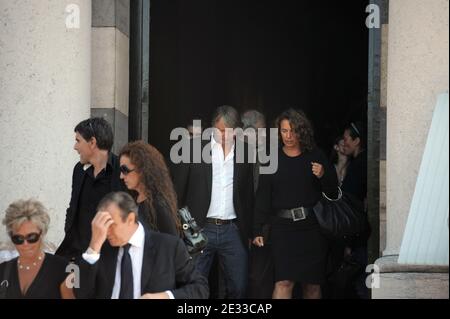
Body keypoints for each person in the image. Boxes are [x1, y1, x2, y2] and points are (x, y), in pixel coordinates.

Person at [253, 109, 339, 299]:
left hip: (312, 228)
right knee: (283, 282)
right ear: (279, 132)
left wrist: (323, 175)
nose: (289, 136)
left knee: (312, 285)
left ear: (302, 131)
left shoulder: (315, 155)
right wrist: (257, 229)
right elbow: (263, 196)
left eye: (293, 131)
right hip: (283, 230)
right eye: (284, 131)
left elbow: (333, 191)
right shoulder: (271, 158)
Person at [173, 105, 254, 298]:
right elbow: (177, 193)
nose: (224, 135)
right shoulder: (192, 148)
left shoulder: (245, 152)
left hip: (232, 229)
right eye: (220, 130)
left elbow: (248, 195)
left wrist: (250, 230)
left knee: (239, 287)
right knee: (193, 286)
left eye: (229, 131)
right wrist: (187, 228)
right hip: (199, 228)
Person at [74, 191, 208, 299]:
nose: (106, 232)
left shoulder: (168, 247)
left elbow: (200, 289)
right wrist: (94, 246)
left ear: (130, 219)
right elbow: (79, 293)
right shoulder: (99, 247)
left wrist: (165, 297)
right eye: (103, 226)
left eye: (111, 225)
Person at [56, 118, 126, 261]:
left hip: (110, 257)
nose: (75, 147)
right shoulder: (79, 170)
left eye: (78, 140)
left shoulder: (122, 171)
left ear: (92, 142)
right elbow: (73, 206)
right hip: (76, 254)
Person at [0, 199, 73, 299]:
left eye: (31, 237)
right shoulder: (3, 271)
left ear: (42, 233)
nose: (25, 244)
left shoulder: (66, 268)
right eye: (18, 238)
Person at [241, 109, 274, 299]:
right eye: (262, 130)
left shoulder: (265, 156)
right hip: (240, 226)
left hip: (262, 227)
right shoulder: (234, 155)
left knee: (260, 277)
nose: (265, 135)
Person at [119, 141, 180, 236]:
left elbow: (173, 242)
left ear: (142, 170)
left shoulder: (158, 204)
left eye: (125, 170)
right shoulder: (132, 198)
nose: (121, 176)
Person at [341, 121, 370, 299]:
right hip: (360, 232)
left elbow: (349, 202)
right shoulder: (357, 162)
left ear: (357, 140)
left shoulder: (359, 165)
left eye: (346, 139)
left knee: (362, 284)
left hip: (359, 233)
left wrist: (348, 242)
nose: (344, 143)